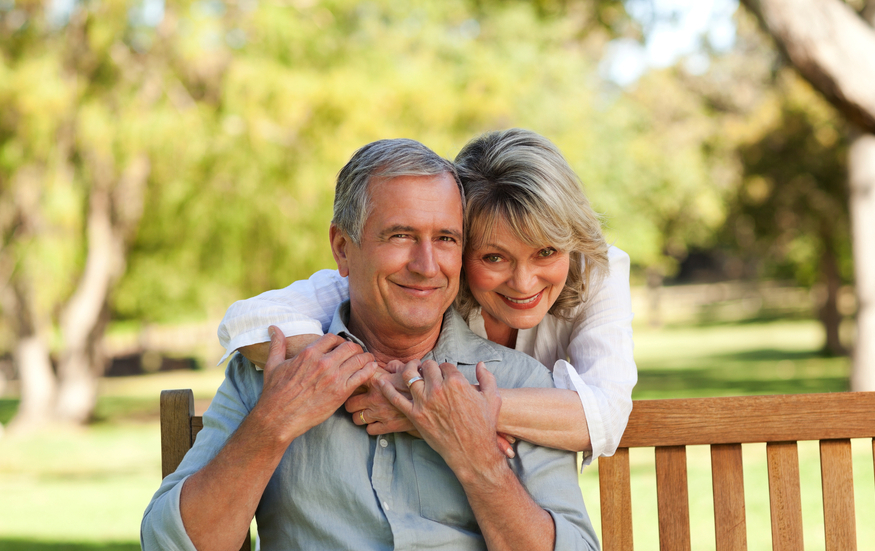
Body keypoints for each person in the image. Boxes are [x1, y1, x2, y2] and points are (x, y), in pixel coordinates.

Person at [141, 138, 604, 551]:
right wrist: (272, 424)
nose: (427, 266)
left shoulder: (517, 381)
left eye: (445, 239)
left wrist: (478, 460)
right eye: (400, 236)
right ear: (343, 248)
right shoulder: (272, 375)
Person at [217, 128, 637, 467]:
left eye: (546, 252)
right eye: (494, 257)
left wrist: (436, 407)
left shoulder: (596, 270)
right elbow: (251, 320)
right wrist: (377, 381)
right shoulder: (427, 280)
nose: (524, 282)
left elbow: (606, 414)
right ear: (459, 244)